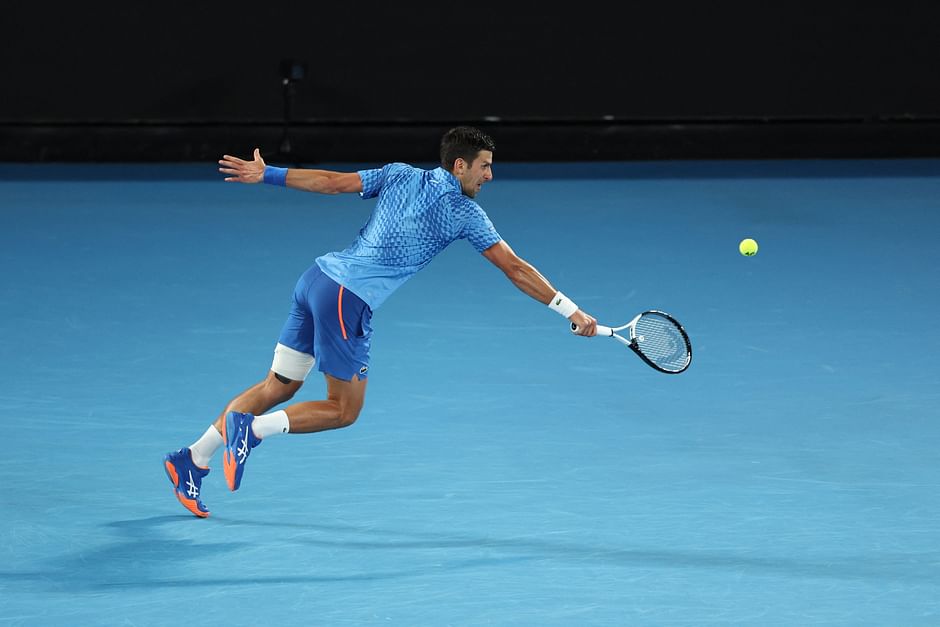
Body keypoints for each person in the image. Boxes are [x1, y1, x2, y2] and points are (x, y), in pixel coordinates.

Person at [162, 126, 597, 517]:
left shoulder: (399, 173)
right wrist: (571, 310)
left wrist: (269, 173)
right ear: (460, 165)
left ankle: (193, 460)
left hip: (314, 281)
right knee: (343, 409)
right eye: (484, 167)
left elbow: (332, 183)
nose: (489, 176)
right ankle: (253, 430)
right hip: (346, 299)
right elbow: (516, 268)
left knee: (280, 386)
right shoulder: (465, 213)